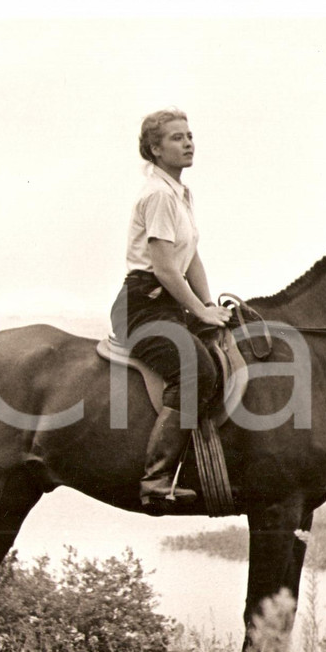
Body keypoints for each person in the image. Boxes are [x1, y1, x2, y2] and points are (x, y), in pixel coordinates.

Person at [110, 108, 231, 514]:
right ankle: (157, 480)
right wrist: (197, 308)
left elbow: (190, 257)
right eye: (177, 138)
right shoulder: (160, 194)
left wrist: (208, 307)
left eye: (190, 135)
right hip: (143, 309)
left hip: (170, 304)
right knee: (196, 368)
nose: (188, 143)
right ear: (155, 149)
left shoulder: (180, 193)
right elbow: (163, 267)